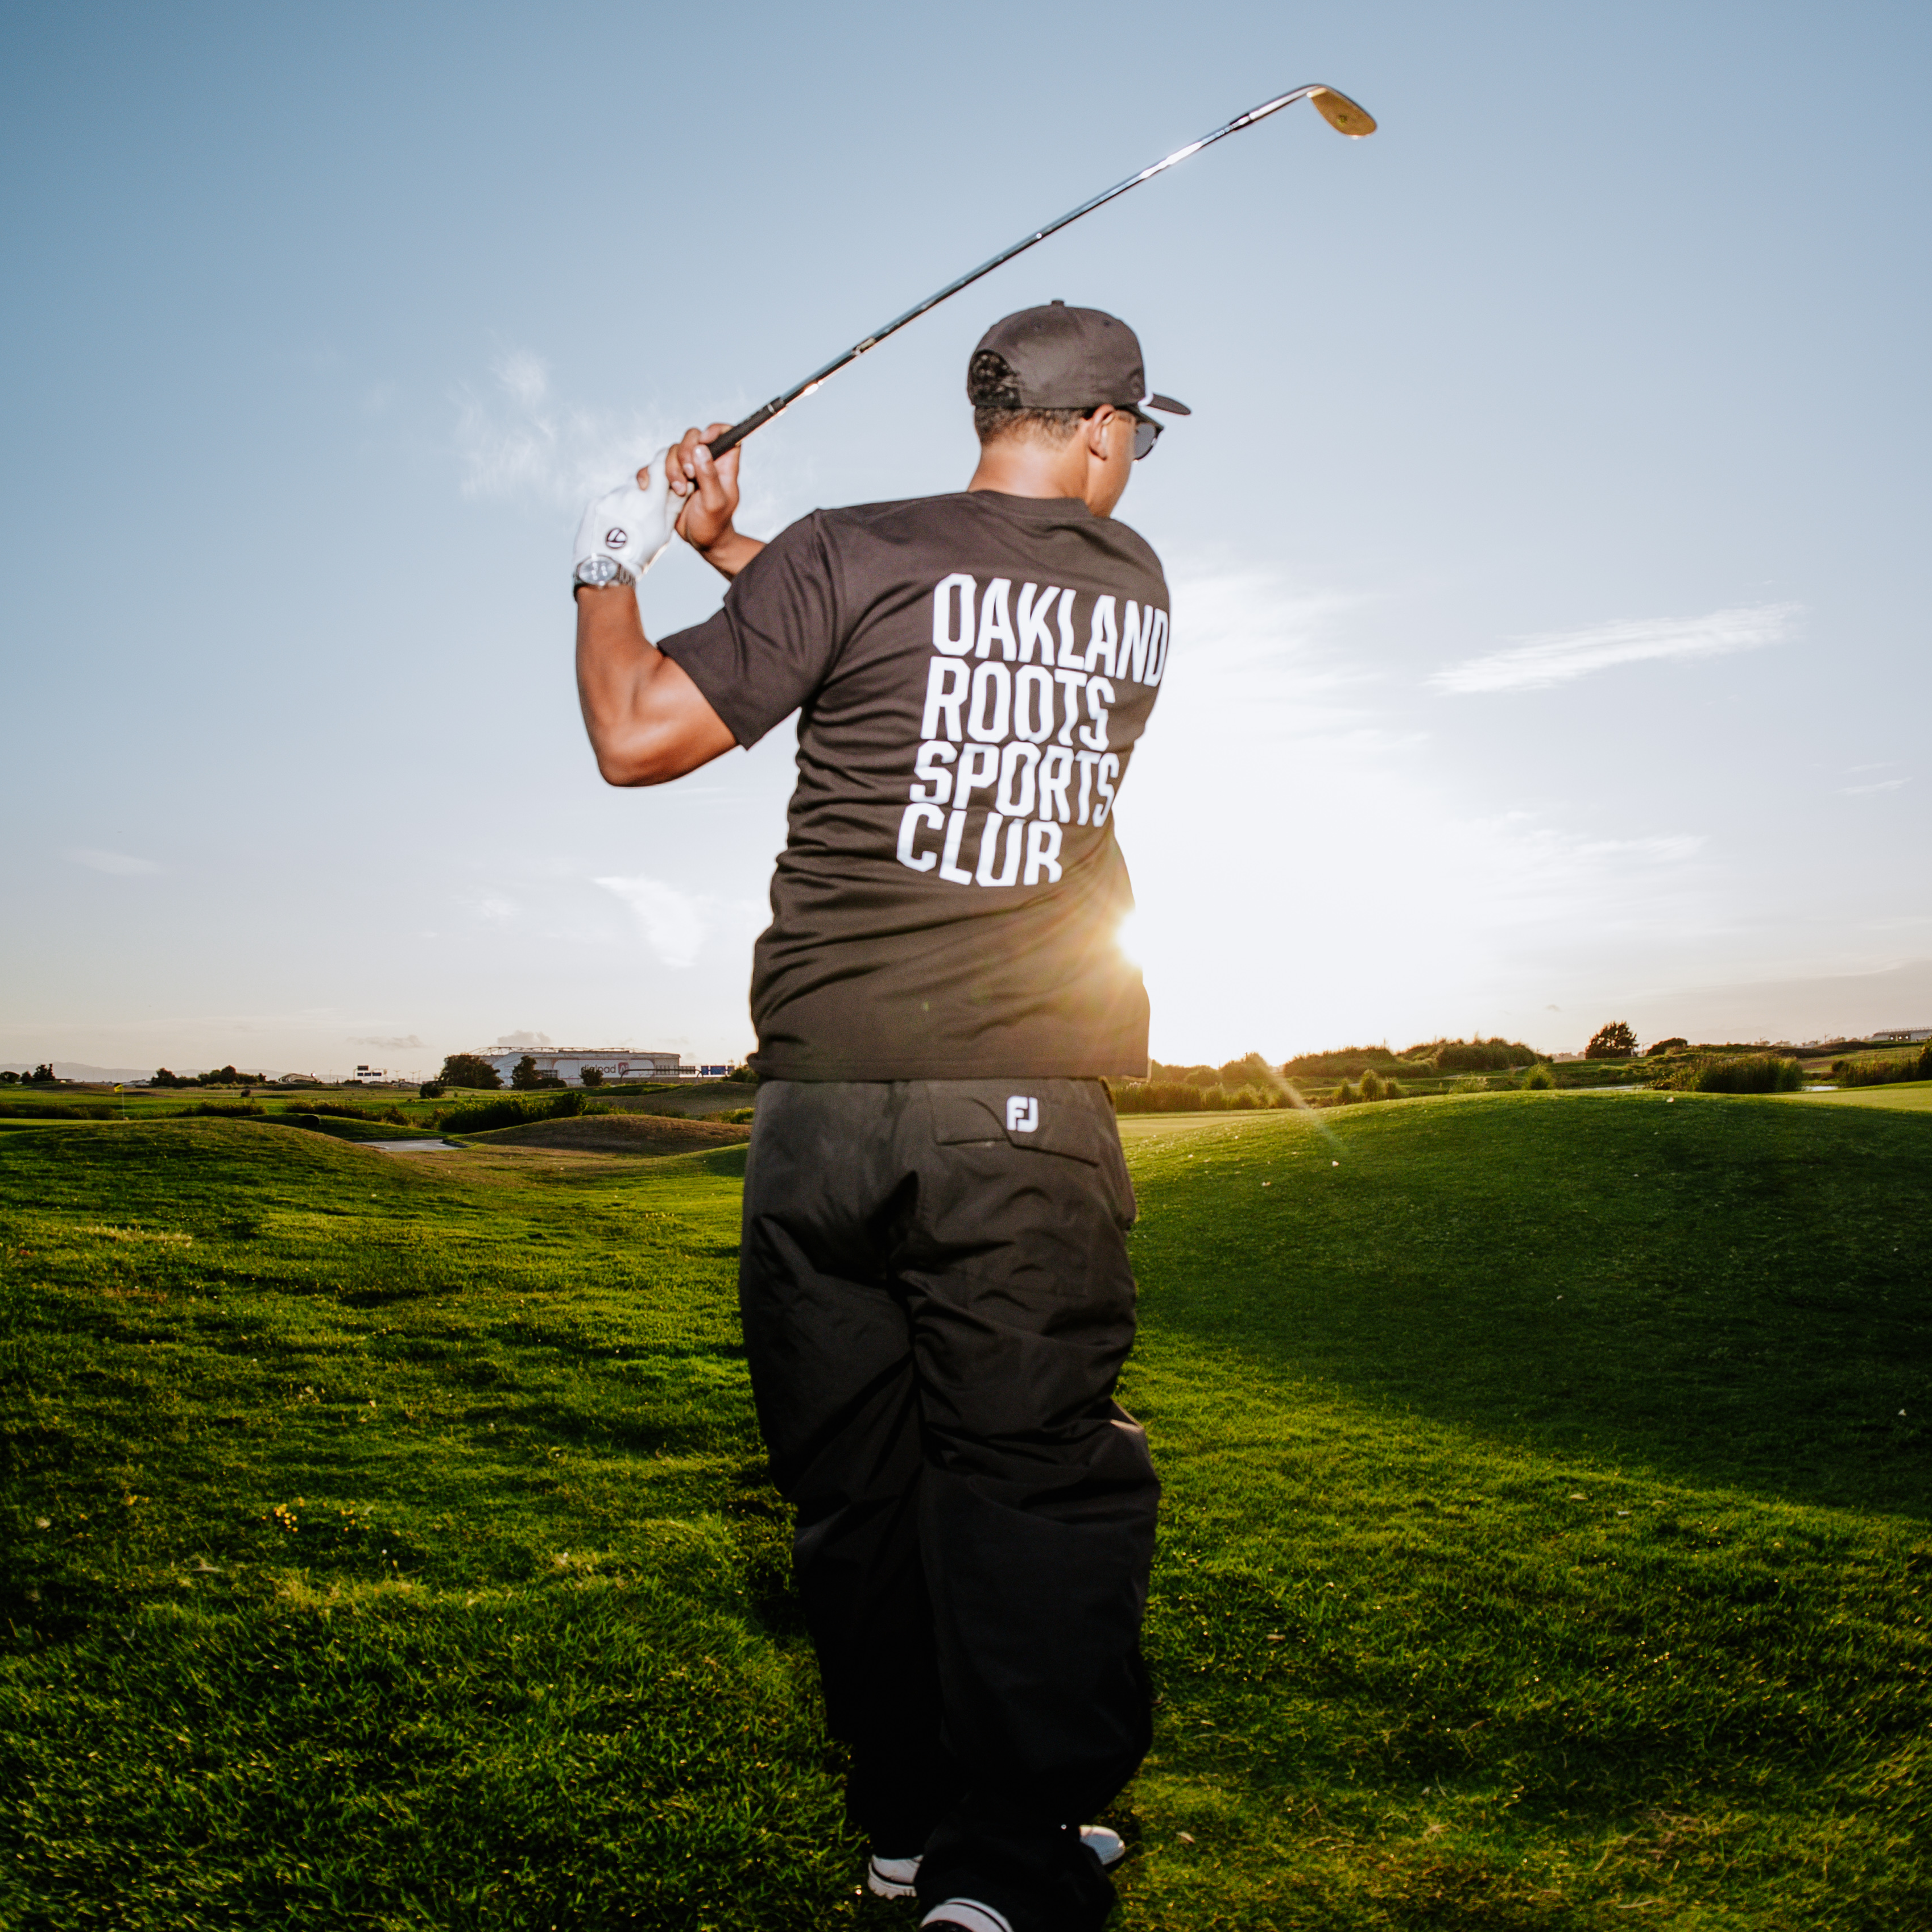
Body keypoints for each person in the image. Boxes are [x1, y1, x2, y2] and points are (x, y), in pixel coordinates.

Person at [572, 302, 1186, 1932]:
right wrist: (731, 553)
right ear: (1108, 429)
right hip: (1018, 1116)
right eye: (1143, 433)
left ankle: (909, 1822)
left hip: (815, 1118)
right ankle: (1005, 1863)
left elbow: (640, 725)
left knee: (860, 1491)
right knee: (1026, 1488)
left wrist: (620, 557)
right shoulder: (1130, 585)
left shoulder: (844, 553)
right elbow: (924, 594)